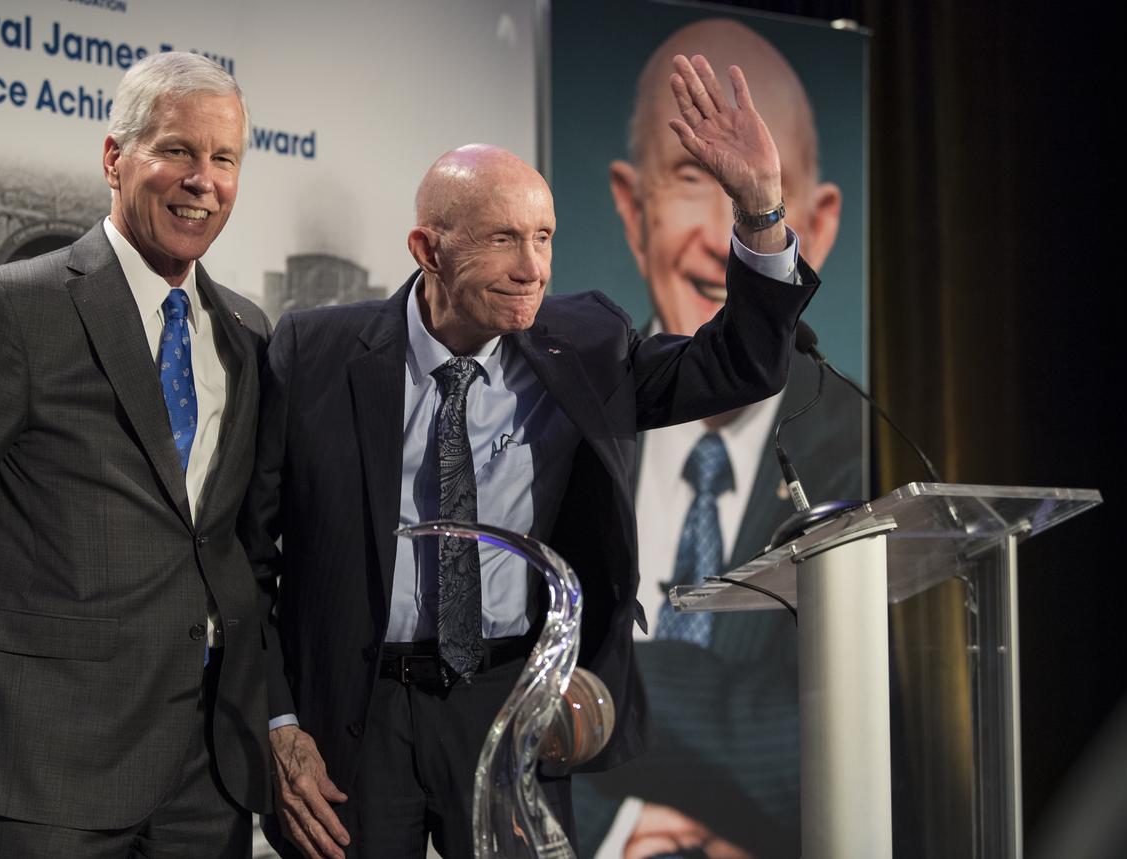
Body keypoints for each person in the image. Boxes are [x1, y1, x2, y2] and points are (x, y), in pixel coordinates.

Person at [242, 55, 820, 859]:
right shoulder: (316, 352)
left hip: (512, 705)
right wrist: (277, 718)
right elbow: (250, 557)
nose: (534, 267)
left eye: (544, 236)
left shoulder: (584, 344)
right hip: (357, 711)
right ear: (427, 248)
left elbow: (742, 364)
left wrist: (759, 206)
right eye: (505, 239)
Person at [0, 51, 273, 857]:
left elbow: (232, 541)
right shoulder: (14, 309)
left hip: (206, 767)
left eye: (224, 159)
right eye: (178, 151)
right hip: (43, 759)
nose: (203, 179)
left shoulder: (247, 333)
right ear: (115, 158)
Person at [572, 20, 864, 858]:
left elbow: (832, 742)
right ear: (633, 209)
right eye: (694, 177)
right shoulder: (571, 416)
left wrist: (603, 680)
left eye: (757, 191)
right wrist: (615, 827)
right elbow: (492, 692)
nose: (716, 238)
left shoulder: (866, 451)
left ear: (821, 219)